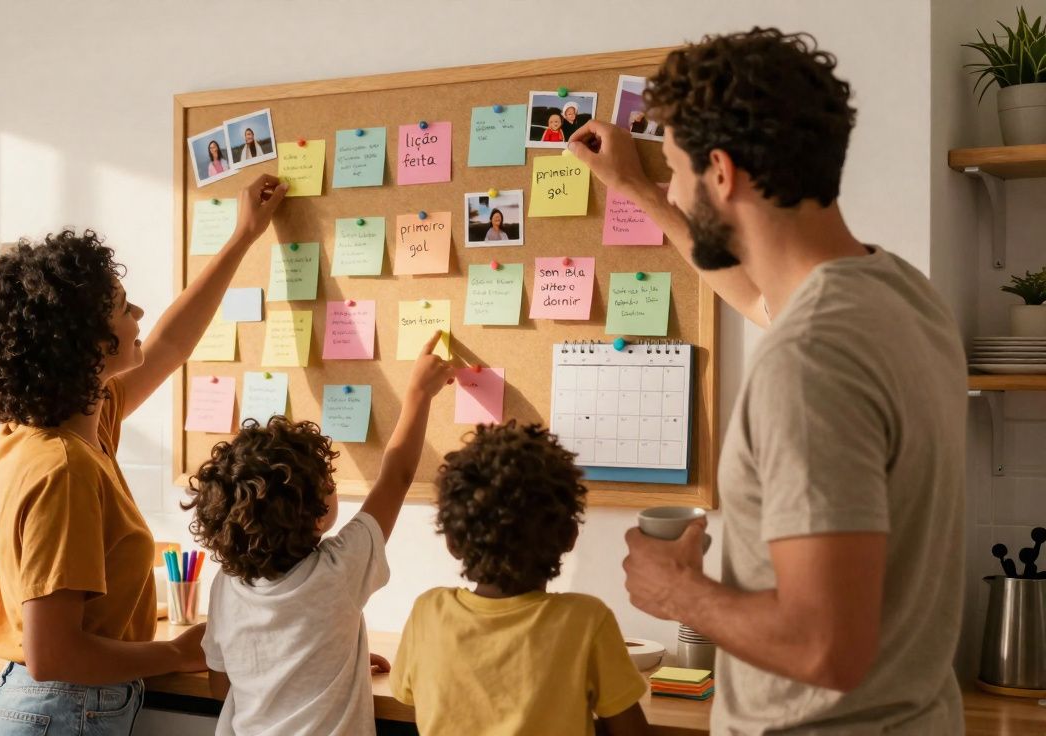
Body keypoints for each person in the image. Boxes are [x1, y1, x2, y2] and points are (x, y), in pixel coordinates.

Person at [569, 28, 965, 735]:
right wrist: (634, 187)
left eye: (678, 170)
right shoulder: (899, 295)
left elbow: (825, 646)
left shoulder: (809, 360)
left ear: (720, 172)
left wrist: (678, 592)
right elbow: (754, 294)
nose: (677, 187)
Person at [0, 174, 287, 734]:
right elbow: (54, 655)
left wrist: (243, 237)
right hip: (58, 712)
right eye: (123, 306)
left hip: (50, 711)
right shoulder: (64, 467)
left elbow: (172, 345)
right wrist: (180, 653)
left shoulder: (63, 426)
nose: (139, 313)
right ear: (85, 342)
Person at [186, 333, 453, 736]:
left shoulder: (227, 585)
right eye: (328, 480)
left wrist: (327, 659)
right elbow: (396, 478)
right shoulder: (339, 570)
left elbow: (224, 683)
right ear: (317, 514)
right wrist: (419, 392)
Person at [391, 422, 649, 736]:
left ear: (452, 541)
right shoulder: (586, 621)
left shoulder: (427, 614)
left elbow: (408, 696)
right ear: (570, 537)